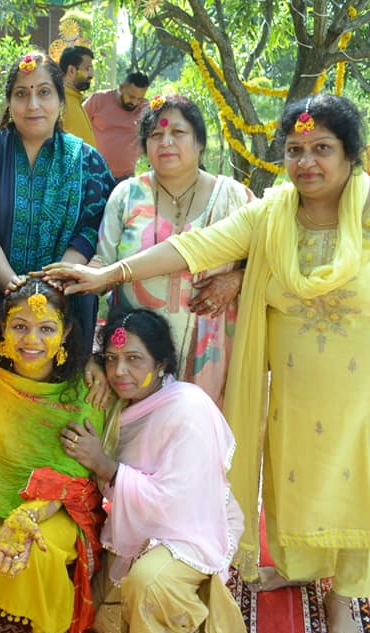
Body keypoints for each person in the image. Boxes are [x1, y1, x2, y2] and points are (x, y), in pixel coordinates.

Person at [42, 94, 370, 633]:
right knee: (299, 485)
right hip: (297, 390)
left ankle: (344, 598)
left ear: (352, 154)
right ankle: (298, 566)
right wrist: (111, 274)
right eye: (294, 150)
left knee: (367, 490)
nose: (306, 161)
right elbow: (197, 245)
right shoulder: (273, 212)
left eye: (322, 149)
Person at [0, 279, 105, 633]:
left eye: (46, 328)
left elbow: (73, 475)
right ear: (2, 330)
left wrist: (28, 514)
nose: (32, 341)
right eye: (20, 327)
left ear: (66, 332)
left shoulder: (86, 389)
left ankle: (49, 631)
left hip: (56, 508)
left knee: (39, 549)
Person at [63, 308, 247, 633]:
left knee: (147, 583)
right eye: (110, 358)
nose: (120, 371)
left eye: (134, 359)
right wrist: (91, 364)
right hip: (140, 524)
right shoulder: (120, 401)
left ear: (160, 364)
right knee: (92, 605)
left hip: (191, 529)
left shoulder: (188, 409)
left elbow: (178, 505)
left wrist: (104, 465)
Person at [92, 95, 254, 406]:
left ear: (199, 142)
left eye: (177, 133)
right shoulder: (127, 194)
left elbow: (267, 264)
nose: (166, 142)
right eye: (155, 135)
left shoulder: (234, 198)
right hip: (135, 362)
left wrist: (237, 280)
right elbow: (102, 263)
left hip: (211, 355)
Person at [0, 51, 114, 342]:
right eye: (21, 94)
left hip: (67, 309)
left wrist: (54, 285)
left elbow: (92, 229)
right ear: (10, 101)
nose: (33, 105)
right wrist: (13, 286)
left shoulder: (88, 162)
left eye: (44, 92)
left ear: (61, 101)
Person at [82, 71, 150, 181]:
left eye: (139, 98)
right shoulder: (99, 100)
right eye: (131, 96)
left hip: (126, 177)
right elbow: (77, 121)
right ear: (122, 87)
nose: (135, 102)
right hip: (95, 173)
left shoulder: (145, 107)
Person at [58, 45, 97, 147]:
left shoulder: (75, 99)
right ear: (71, 70)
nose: (91, 75)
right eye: (87, 69)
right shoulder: (58, 101)